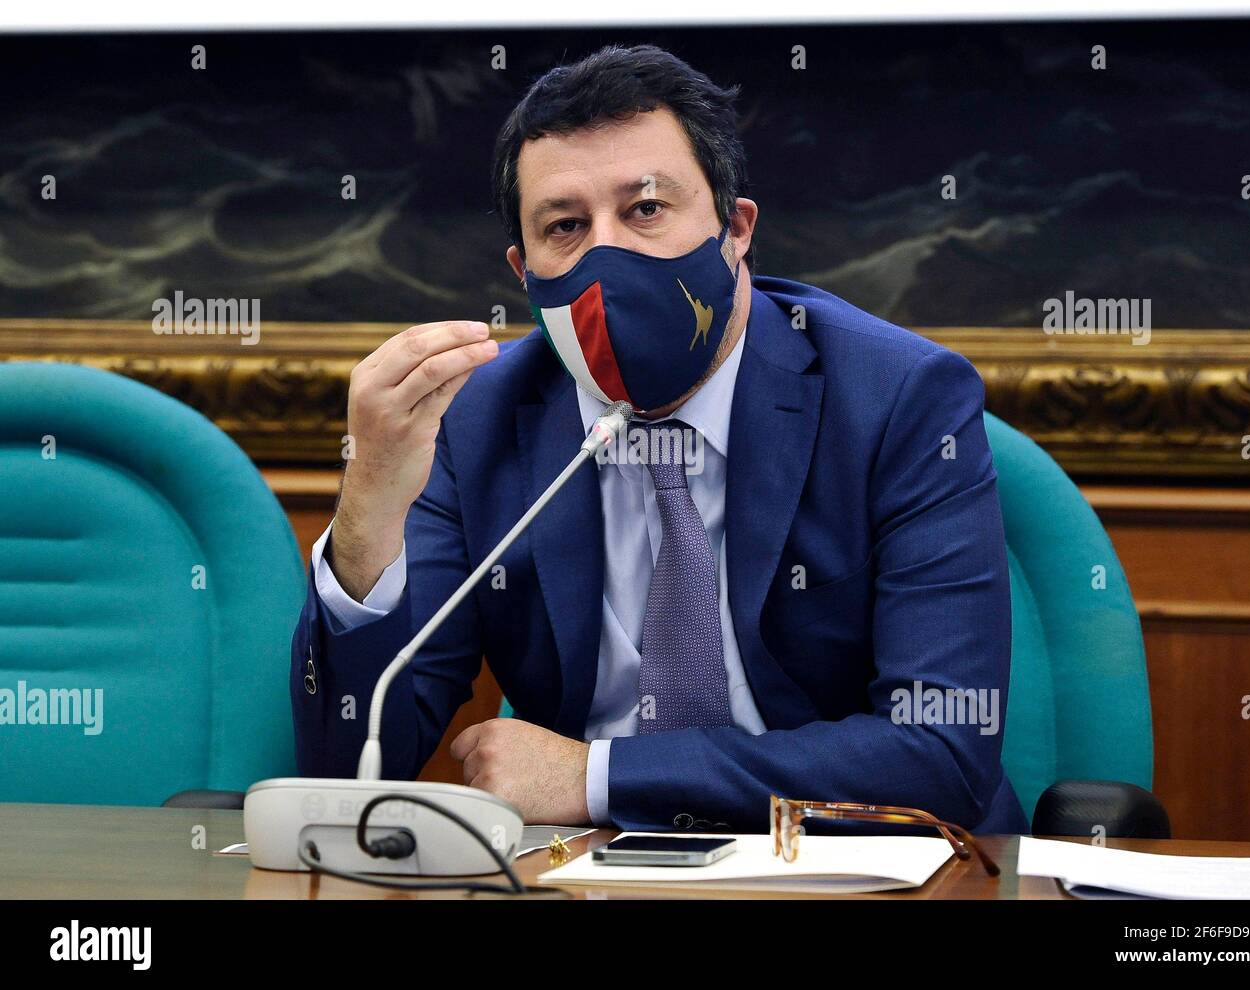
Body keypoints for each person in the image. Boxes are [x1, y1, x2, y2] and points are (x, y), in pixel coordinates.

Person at [291, 43, 1029, 835]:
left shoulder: (898, 399)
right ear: (523, 271)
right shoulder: (477, 421)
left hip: (863, 868)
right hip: (591, 876)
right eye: (566, 226)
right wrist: (369, 497)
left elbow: (942, 754)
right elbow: (351, 759)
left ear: (735, 229)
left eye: (645, 210)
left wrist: (600, 777)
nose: (607, 257)